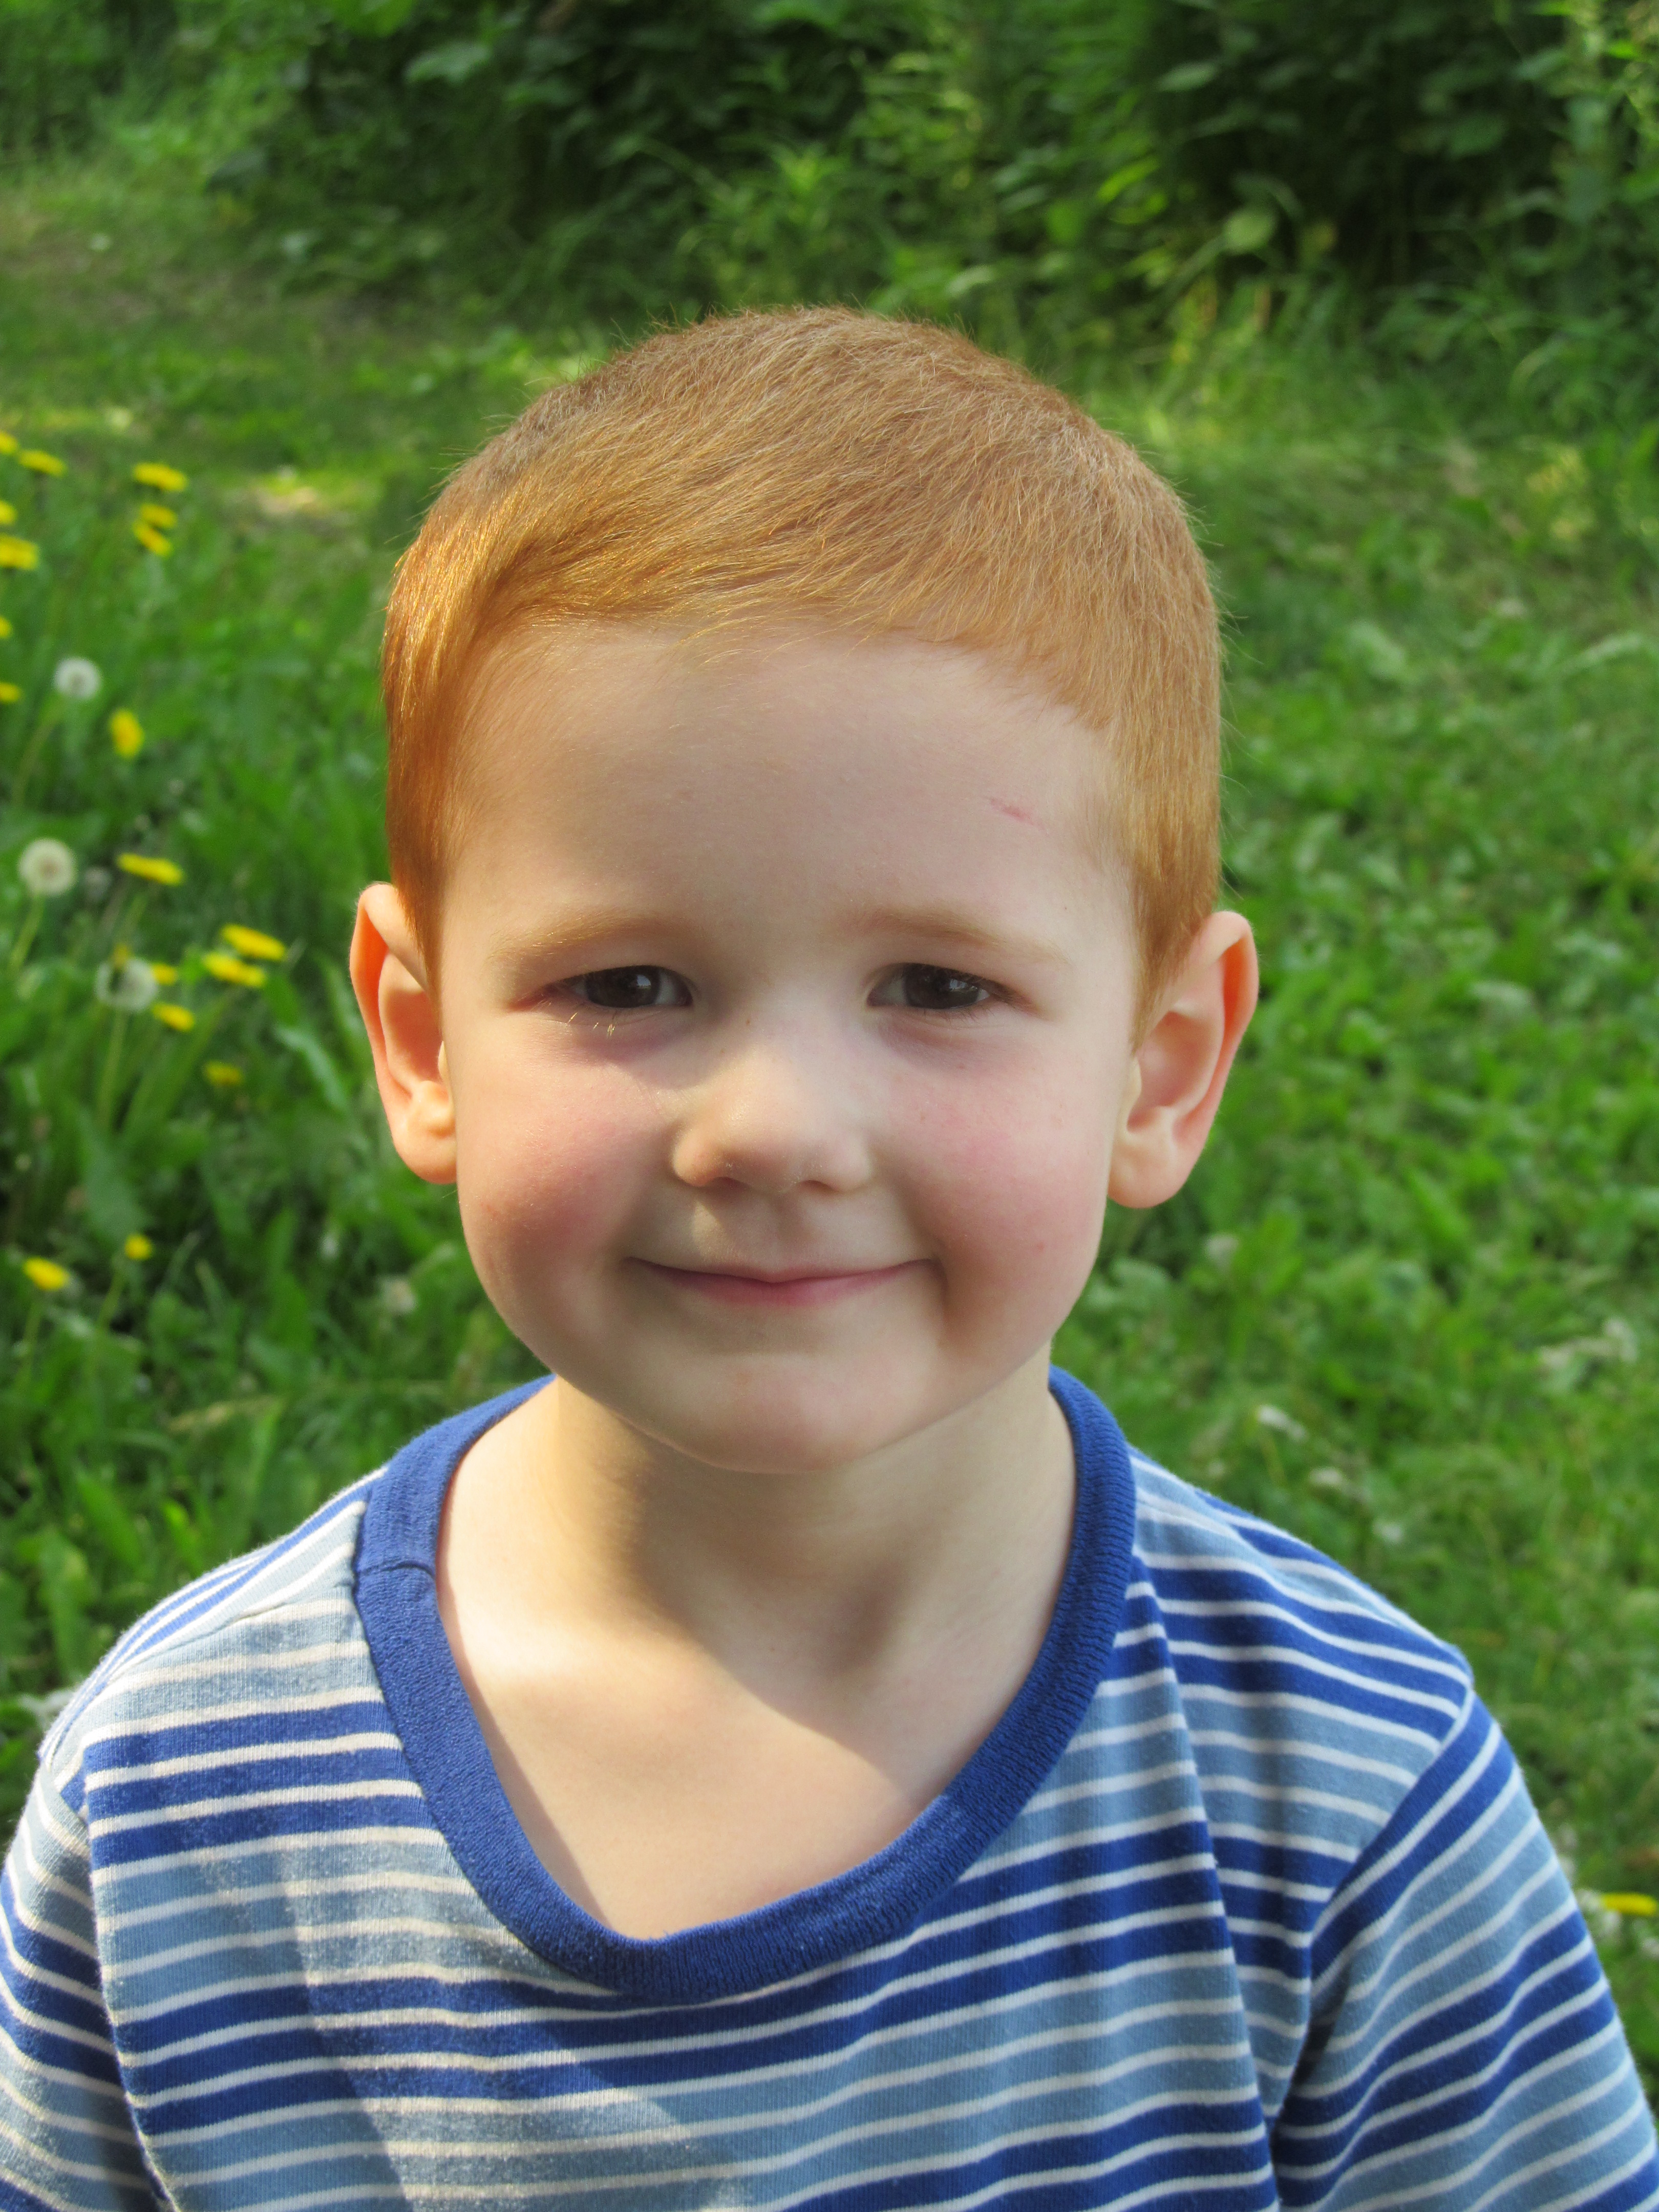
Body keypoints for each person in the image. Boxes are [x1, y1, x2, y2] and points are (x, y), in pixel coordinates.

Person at [3, 310, 1653, 2212]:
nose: (773, 1128)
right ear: (423, 1037)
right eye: (631, 984)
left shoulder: (1346, 1796)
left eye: (936, 988)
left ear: (1161, 1065)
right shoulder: (182, 1803)